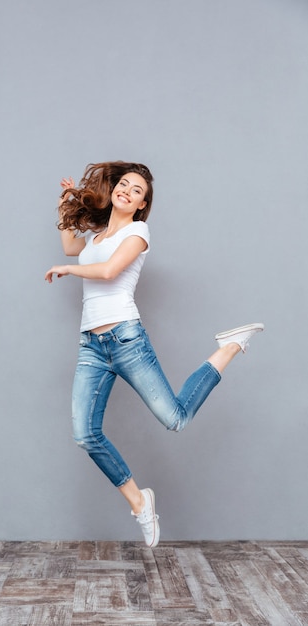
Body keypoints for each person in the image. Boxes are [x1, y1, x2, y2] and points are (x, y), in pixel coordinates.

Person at [45, 161, 264, 548]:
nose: (127, 191)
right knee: (85, 434)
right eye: (124, 185)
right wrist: (65, 201)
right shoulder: (95, 236)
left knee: (175, 419)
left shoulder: (138, 232)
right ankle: (139, 500)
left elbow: (111, 272)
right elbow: (69, 244)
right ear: (114, 190)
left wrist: (68, 270)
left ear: (142, 205)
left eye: (137, 191)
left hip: (127, 340)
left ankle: (229, 346)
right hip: (91, 347)